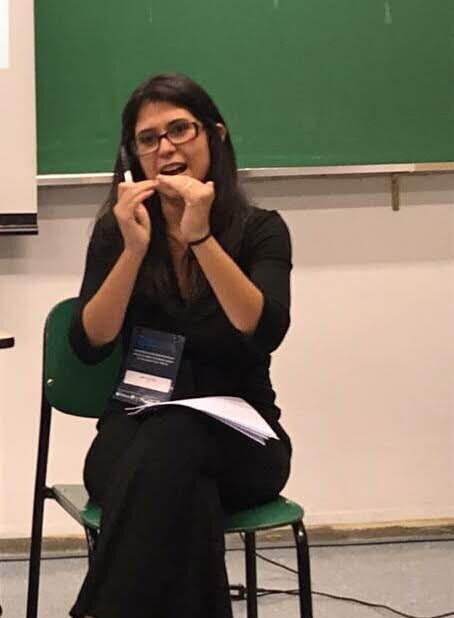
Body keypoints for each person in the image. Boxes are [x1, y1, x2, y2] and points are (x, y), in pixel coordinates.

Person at [69, 73, 293, 618]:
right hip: (133, 431)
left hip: (241, 437)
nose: (165, 148)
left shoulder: (261, 229)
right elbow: (90, 342)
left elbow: (262, 328)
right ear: (134, 157)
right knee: (186, 491)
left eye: (179, 130)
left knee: (177, 441)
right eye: (148, 139)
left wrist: (200, 236)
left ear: (214, 136)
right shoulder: (119, 231)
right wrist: (132, 250)